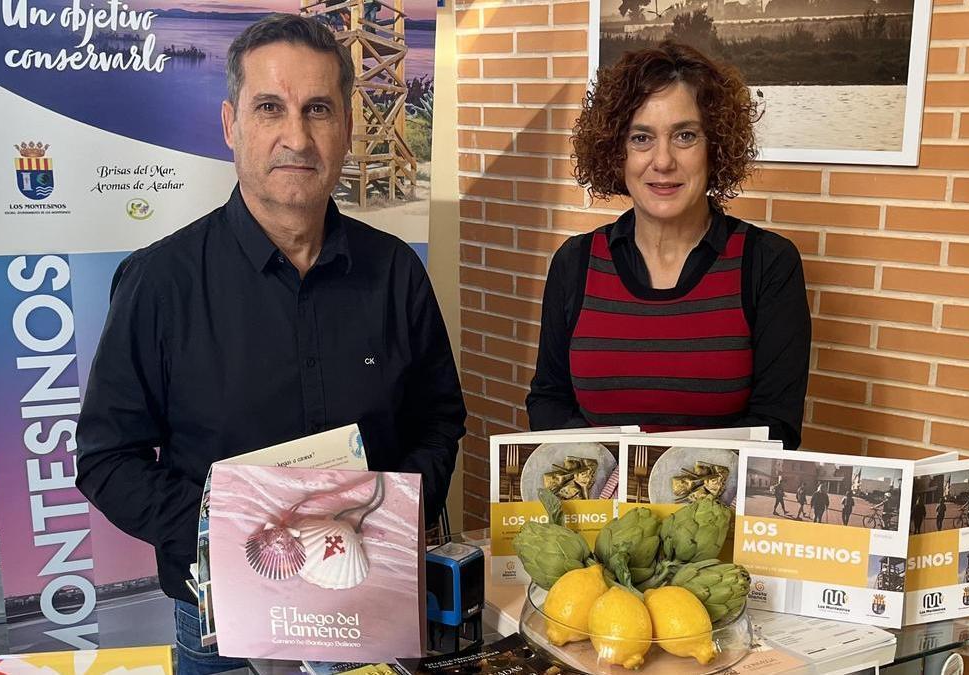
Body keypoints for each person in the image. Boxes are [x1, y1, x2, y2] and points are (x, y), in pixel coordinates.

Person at [74, 16, 466, 674]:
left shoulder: (395, 272)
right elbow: (108, 456)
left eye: (318, 109)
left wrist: (391, 512)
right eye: (269, 108)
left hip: (371, 606)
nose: (296, 136)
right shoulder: (161, 282)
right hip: (224, 633)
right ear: (231, 125)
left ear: (346, 127)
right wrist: (216, 533)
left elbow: (439, 416)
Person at [524, 41, 810, 443]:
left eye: (685, 136)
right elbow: (548, 400)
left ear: (716, 146)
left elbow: (775, 427)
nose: (662, 161)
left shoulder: (768, 263)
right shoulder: (575, 262)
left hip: (714, 504)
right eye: (641, 138)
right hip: (599, 499)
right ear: (615, 151)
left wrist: (662, 477)